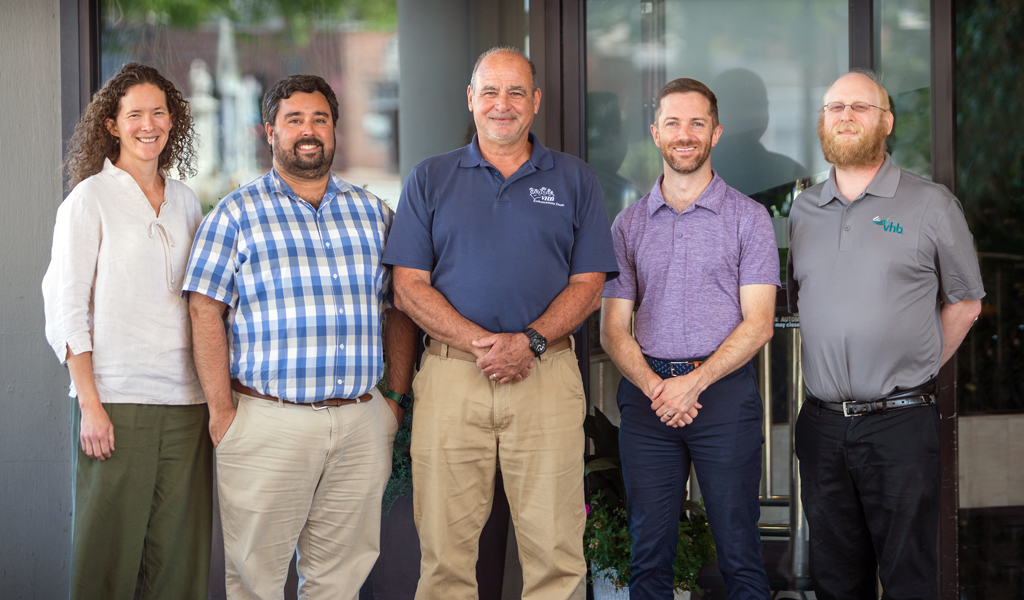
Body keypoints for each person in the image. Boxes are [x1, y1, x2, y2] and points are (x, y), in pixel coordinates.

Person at [381, 47, 619, 600]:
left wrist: (529, 342)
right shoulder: (430, 178)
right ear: (471, 99)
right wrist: (480, 343)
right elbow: (408, 287)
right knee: (444, 558)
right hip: (451, 378)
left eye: (516, 92)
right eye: (489, 91)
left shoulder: (575, 179)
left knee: (556, 555)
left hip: (545, 376)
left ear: (536, 102)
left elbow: (588, 286)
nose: (502, 104)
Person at [183, 74, 417, 600]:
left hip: (360, 423)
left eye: (319, 119)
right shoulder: (235, 215)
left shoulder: (374, 212)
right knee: (254, 584)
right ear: (270, 131)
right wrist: (223, 414)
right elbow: (204, 311)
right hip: (266, 424)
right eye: (294, 120)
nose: (308, 131)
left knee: (340, 581)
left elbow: (401, 306)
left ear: (335, 130)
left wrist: (393, 402)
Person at [787, 70, 984, 600]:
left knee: (908, 579)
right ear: (822, 120)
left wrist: (916, 369)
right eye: (835, 107)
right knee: (833, 580)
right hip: (822, 426)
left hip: (899, 426)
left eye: (860, 107)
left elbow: (966, 303)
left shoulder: (931, 204)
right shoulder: (802, 211)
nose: (845, 116)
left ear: (886, 122)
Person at [601, 78, 777, 600]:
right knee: (648, 554)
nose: (685, 134)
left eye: (697, 123)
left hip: (722, 397)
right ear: (655, 133)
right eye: (673, 123)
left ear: (716, 133)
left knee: (740, 551)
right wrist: (659, 387)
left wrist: (693, 384)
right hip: (648, 400)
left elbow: (760, 322)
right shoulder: (627, 225)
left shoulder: (750, 218)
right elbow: (613, 329)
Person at [42, 62, 211, 599]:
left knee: (180, 561)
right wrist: (90, 403)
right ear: (111, 125)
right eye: (134, 113)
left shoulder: (186, 201)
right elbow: (67, 308)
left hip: (186, 404)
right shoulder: (89, 199)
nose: (148, 124)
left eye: (159, 112)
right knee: (106, 559)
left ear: (173, 121)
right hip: (115, 403)